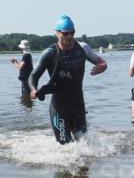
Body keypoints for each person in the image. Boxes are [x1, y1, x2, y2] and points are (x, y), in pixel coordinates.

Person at [30, 15, 107, 144]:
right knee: (65, 145)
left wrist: (102, 66)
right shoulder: (49, 53)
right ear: (57, 33)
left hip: (77, 104)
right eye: (65, 33)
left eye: (72, 32)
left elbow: (101, 61)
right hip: (59, 106)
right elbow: (33, 76)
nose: (69, 37)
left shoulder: (83, 48)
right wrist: (33, 90)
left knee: (84, 143)